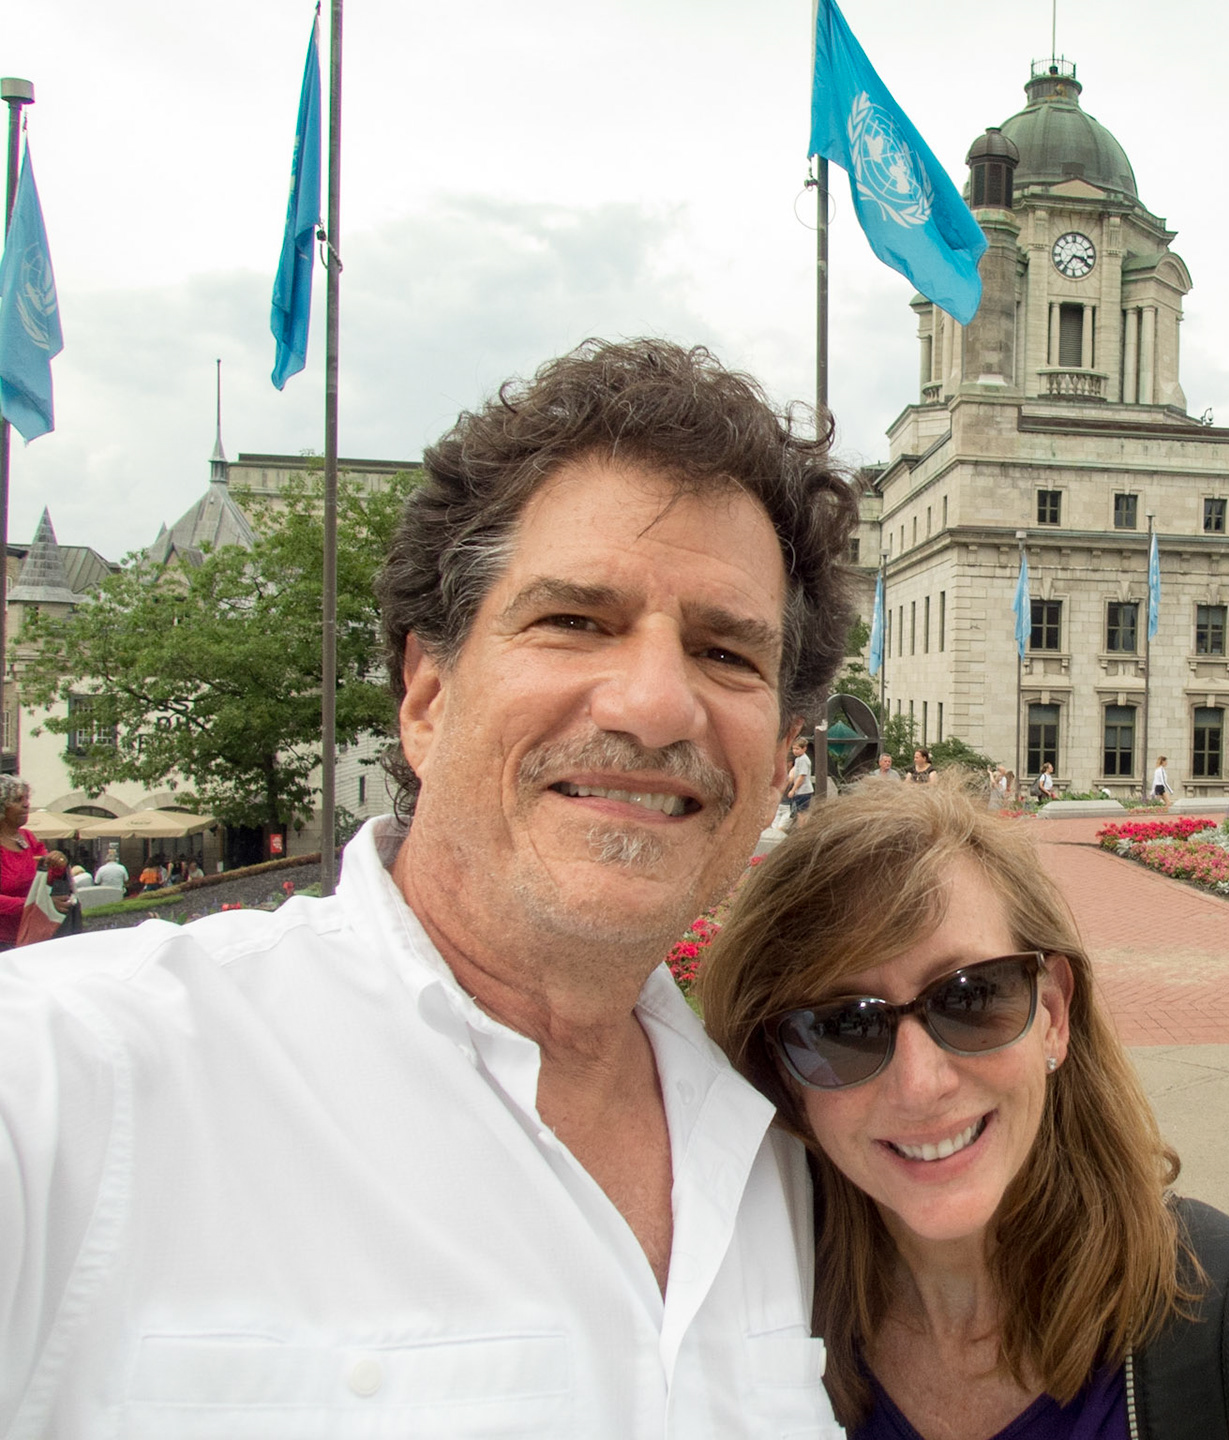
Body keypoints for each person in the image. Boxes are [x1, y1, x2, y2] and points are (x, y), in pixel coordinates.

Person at [0, 339, 858, 1434]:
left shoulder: (780, 1155)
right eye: (574, 622)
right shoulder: (84, 1077)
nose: (652, 705)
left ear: (783, 756)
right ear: (426, 697)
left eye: (726, 653)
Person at [700, 784, 1229, 1440]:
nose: (920, 1085)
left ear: (1054, 1015)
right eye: (843, 1027)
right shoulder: (742, 1337)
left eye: (972, 997)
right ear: (784, 1072)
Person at [0, 776, 52, 950]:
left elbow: (47, 875)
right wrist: (32, 905)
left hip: (31, 934)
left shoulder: (27, 837)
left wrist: (59, 865)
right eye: (17, 800)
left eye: (26, 799)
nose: (26, 805)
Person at [785, 735, 816, 825]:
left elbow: (802, 776)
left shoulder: (803, 760)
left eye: (797, 749)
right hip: (800, 791)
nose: (795, 751)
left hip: (803, 790)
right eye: (793, 749)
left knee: (802, 812)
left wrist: (793, 790)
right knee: (798, 812)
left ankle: (802, 827)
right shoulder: (798, 759)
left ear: (804, 748)